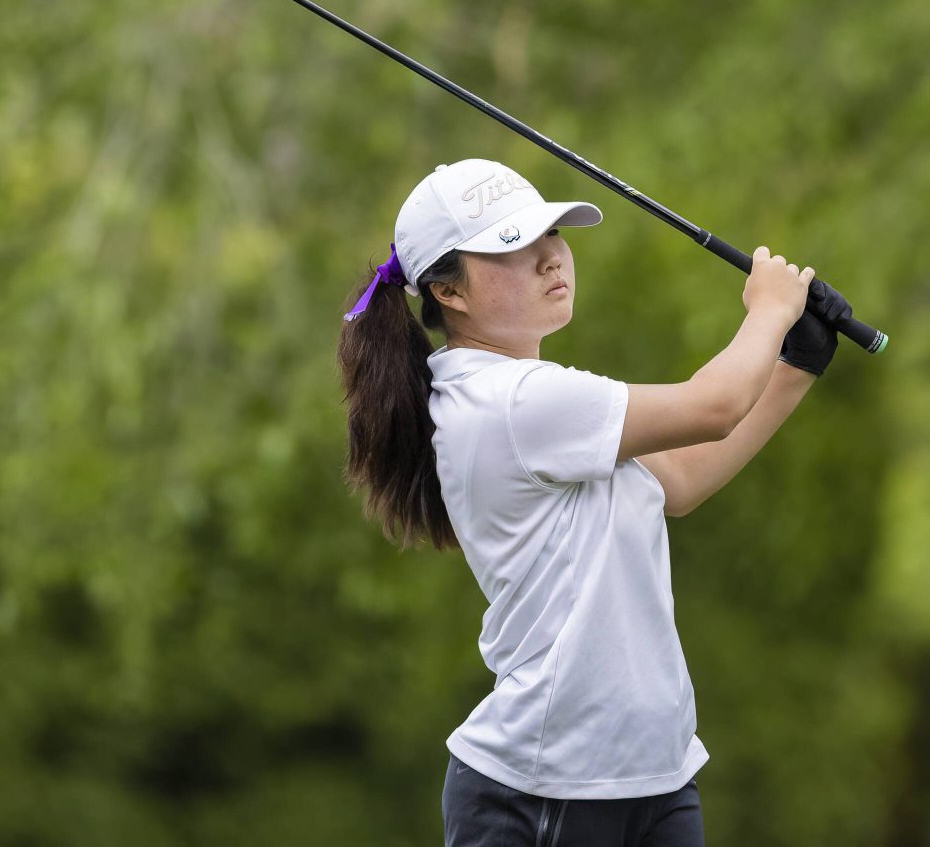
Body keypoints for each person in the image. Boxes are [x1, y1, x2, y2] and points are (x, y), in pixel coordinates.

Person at [336, 157, 851, 847]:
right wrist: (769, 309)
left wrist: (795, 364)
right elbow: (715, 406)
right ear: (447, 290)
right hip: (545, 788)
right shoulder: (511, 402)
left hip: (655, 775)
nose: (552, 258)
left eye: (553, 235)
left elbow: (684, 480)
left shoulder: (538, 393)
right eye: (514, 247)